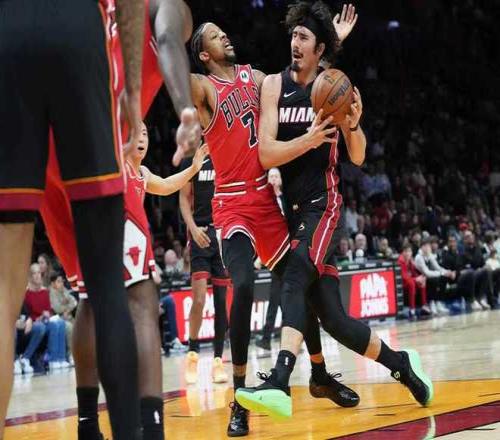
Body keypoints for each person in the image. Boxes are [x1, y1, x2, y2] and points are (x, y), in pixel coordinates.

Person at [235, 1, 433, 421]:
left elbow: (357, 156)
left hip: (324, 206)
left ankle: (279, 381)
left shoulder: (332, 86)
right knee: (333, 319)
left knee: (292, 278)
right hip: (292, 212)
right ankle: (402, 364)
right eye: (293, 35)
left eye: (304, 37)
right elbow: (266, 154)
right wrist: (307, 140)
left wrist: (353, 124)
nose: (294, 42)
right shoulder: (274, 86)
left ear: (318, 48)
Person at [27, 1, 200, 438]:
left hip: (41, 150)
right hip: (96, 146)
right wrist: (185, 109)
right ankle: (149, 428)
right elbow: (167, 37)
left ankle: (87, 425)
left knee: (89, 294)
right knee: (140, 296)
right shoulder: (162, 9)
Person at [189, 8, 361, 434]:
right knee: (244, 285)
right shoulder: (204, 87)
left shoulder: (258, 79)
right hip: (231, 205)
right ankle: (239, 400)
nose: (224, 36)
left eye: (223, 31)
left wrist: (330, 42)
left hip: (267, 201)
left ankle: (319, 373)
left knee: (301, 288)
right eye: (214, 36)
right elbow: (176, 77)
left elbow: (300, 77)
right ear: (203, 55)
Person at [0, 0, 146, 437]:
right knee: (107, 287)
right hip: (79, 29)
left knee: (3, 295)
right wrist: (133, 89)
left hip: (8, 32)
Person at [72, 125, 207, 440]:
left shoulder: (142, 173)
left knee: (130, 320)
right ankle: (120, 417)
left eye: (146, 133)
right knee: (105, 311)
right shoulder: (116, 163)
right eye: (137, 132)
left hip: (130, 245)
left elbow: (167, 185)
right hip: (114, 236)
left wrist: (193, 169)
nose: (143, 138)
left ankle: (111, 414)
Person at [179, 153, 230, 384]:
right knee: (198, 299)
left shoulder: (226, 155)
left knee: (221, 302)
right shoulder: (193, 160)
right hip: (200, 233)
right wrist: (192, 229)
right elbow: (183, 198)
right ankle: (192, 353)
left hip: (222, 233)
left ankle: (218, 360)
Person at [24, 264, 69, 370]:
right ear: (30, 276)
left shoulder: (44, 291)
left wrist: (47, 314)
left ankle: (60, 358)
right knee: (49, 326)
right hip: (34, 323)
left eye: (39, 273)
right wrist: (37, 318)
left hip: (45, 320)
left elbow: (48, 309)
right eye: (34, 273)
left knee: (61, 323)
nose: (37, 276)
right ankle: (52, 360)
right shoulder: (26, 293)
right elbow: (26, 313)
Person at [415, 238, 456, 315]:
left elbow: (438, 267)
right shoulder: (418, 257)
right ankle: (431, 302)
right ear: (422, 247)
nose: (428, 248)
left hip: (428, 277)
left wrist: (448, 272)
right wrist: (441, 273)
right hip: (421, 278)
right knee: (434, 279)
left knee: (444, 278)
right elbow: (426, 273)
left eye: (429, 246)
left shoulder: (429, 255)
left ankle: (438, 302)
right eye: (426, 246)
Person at [49, 272, 78, 362]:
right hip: (58, 318)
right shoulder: (51, 293)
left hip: (68, 316)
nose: (61, 283)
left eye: (62, 281)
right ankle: (71, 354)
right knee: (69, 328)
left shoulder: (64, 290)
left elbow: (74, 302)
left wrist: (67, 309)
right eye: (58, 281)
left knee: (79, 327)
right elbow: (57, 308)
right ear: (53, 283)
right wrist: (67, 306)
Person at [398, 245, 430, 320]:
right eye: (406, 251)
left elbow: (414, 273)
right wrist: (416, 279)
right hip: (401, 283)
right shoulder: (400, 262)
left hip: (410, 280)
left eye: (409, 251)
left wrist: (420, 278)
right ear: (403, 252)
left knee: (422, 281)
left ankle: (424, 305)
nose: (408, 253)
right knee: (411, 283)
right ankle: (412, 309)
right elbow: (404, 276)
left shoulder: (410, 261)